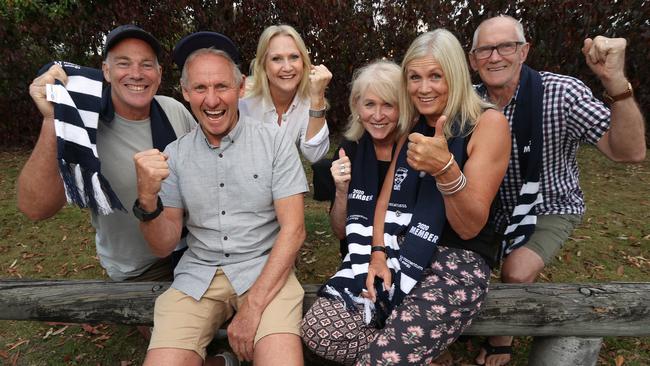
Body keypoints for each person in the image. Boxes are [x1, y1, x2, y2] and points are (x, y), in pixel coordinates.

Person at [301, 29, 511, 366]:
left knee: (382, 361)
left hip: (455, 265)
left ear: (455, 75)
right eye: (415, 77)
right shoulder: (412, 125)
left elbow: (470, 227)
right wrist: (379, 254)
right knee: (320, 330)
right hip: (400, 249)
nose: (423, 88)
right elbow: (383, 202)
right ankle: (424, 356)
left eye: (435, 76)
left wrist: (446, 169)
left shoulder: (488, 124)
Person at [468, 15, 646, 366]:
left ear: (524, 51)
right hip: (488, 204)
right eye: (484, 49)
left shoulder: (562, 93)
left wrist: (615, 82)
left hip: (548, 204)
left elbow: (629, 152)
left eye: (506, 46)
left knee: (516, 271)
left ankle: (501, 335)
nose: (495, 57)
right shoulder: (467, 101)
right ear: (472, 59)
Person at [135, 31, 308, 366]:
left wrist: (253, 308)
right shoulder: (176, 154)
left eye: (221, 87)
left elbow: (294, 230)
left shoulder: (274, 143)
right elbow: (162, 245)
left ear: (241, 87)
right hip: (198, 275)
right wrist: (146, 199)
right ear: (186, 92)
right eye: (200, 88)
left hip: (265, 269)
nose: (211, 100)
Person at [17, 24, 195, 283]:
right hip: (141, 268)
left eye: (146, 65)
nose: (136, 74)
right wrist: (52, 120)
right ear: (106, 71)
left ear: (159, 73)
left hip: (191, 249)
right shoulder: (84, 122)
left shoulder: (173, 110)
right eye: (123, 63)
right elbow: (35, 209)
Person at [239, 24, 331, 163]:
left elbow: (315, 155)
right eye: (276, 59)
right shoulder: (243, 100)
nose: (287, 67)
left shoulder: (309, 103)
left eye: (294, 57)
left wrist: (318, 98)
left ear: (304, 62)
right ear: (263, 65)